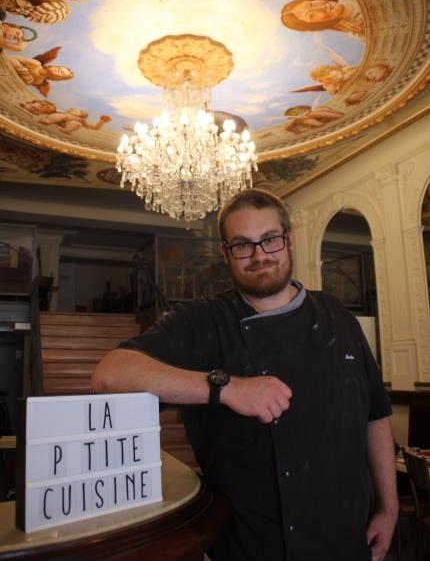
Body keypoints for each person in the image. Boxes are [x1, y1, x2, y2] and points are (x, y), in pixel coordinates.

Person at [91, 188, 398, 561]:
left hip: (347, 537)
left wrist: (388, 508)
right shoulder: (201, 321)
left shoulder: (338, 316)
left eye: (270, 240)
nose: (259, 256)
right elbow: (110, 374)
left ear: (289, 240)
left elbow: (375, 415)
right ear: (225, 254)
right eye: (242, 245)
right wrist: (225, 387)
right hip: (251, 545)